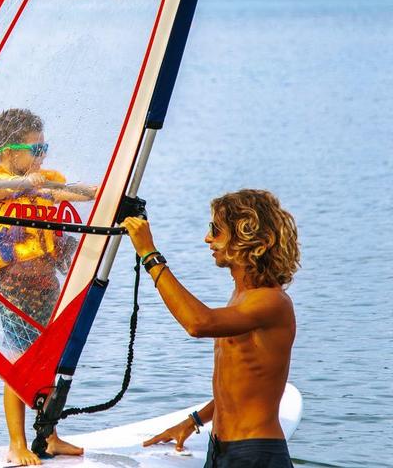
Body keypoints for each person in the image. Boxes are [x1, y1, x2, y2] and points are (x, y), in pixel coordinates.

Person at [0, 108, 96, 465]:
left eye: (45, 148)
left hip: (47, 280)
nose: (42, 156)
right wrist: (18, 186)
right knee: (20, 357)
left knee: (51, 358)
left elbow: (75, 194)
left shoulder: (48, 179)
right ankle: (16, 443)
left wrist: (97, 191)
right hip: (13, 284)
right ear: (8, 153)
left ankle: (49, 437)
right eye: (35, 149)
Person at [121, 189, 299, 468]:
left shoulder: (271, 301)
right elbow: (240, 388)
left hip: (255, 454)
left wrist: (149, 254)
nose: (207, 239)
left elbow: (198, 323)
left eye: (216, 230)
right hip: (221, 452)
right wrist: (192, 422)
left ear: (251, 240)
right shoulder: (241, 297)